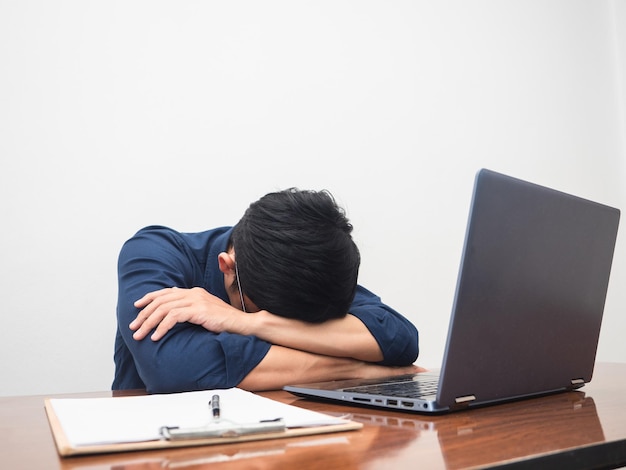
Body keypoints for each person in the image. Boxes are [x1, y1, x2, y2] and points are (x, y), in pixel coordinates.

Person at [113, 188, 421, 393]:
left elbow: (397, 337)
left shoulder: (305, 266)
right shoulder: (154, 252)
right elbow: (174, 369)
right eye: (262, 311)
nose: (283, 325)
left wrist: (249, 322)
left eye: (300, 324)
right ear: (227, 266)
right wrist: (353, 371)